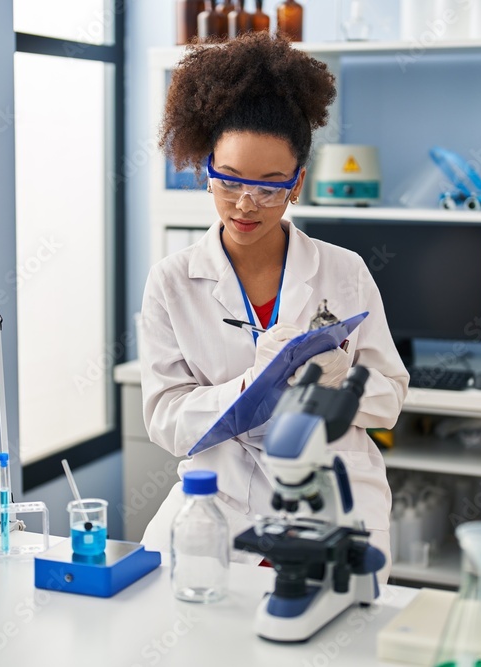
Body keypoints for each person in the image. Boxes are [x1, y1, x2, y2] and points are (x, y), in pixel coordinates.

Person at [138, 33, 409, 580]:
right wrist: (249, 391)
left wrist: (327, 388)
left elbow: (389, 395)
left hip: (332, 497)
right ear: (206, 168)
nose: (245, 203)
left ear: (297, 184)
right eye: (229, 180)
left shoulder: (344, 270)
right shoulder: (171, 281)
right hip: (217, 501)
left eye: (268, 186)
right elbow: (164, 417)